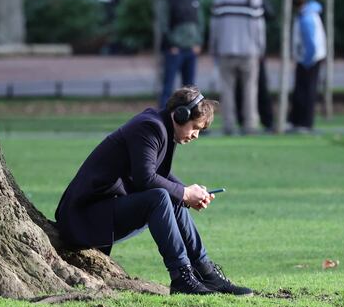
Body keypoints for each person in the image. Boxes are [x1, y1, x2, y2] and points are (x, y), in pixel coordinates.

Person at [55, 86, 252, 296]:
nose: (196, 135)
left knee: (172, 196)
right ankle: (181, 276)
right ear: (180, 115)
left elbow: (161, 174)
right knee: (160, 197)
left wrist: (189, 193)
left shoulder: (162, 126)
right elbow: (145, 178)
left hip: (102, 211)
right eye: (195, 127)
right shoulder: (150, 127)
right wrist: (185, 193)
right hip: (82, 218)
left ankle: (205, 272)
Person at [210, 0, 266, 135]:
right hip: (249, 50)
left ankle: (229, 124)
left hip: (226, 49)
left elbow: (215, 25)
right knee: (250, 88)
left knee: (226, 89)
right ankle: (250, 124)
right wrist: (261, 46)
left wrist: (214, 47)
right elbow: (258, 25)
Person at [235, 0, 275, 131]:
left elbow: (271, 14)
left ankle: (267, 119)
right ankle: (242, 118)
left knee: (261, 85)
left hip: (256, 51)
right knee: (240, 88)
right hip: (239, 50)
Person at [159, 0, 204, 108]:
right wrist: (171, 44)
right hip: (175, 50)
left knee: (191, 88)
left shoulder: (194, 0)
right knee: (168, 85)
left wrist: (198, 41)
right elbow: (163, 24)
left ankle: (193, 118)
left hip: (191, 49)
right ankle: (162, 118)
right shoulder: (169, 1)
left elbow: (200, 22)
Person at [289, 0, 326, 130]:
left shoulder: (306, 18)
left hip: (309, 60)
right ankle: (298, 120)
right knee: (302, 91)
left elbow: (310, 43)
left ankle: (305, 122)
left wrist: (306, 61)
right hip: (310, 59)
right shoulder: (308, 13)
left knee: (306, 92)